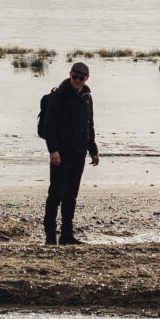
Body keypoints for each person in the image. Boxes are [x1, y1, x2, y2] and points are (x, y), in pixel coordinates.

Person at [36, 60, 99, 245]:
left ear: (87, 79)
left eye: (81, 78)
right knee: (55, 194)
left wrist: (93, 150)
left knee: (71, 195)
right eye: (75, 77)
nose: (77, 81)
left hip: (79, 152)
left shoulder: (87, 97)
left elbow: (90, 125)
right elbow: (49, 125)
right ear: (70, 74)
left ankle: (67, 234)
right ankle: (50, 235)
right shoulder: (59, 95)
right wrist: (53, 150)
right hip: (61, 152)